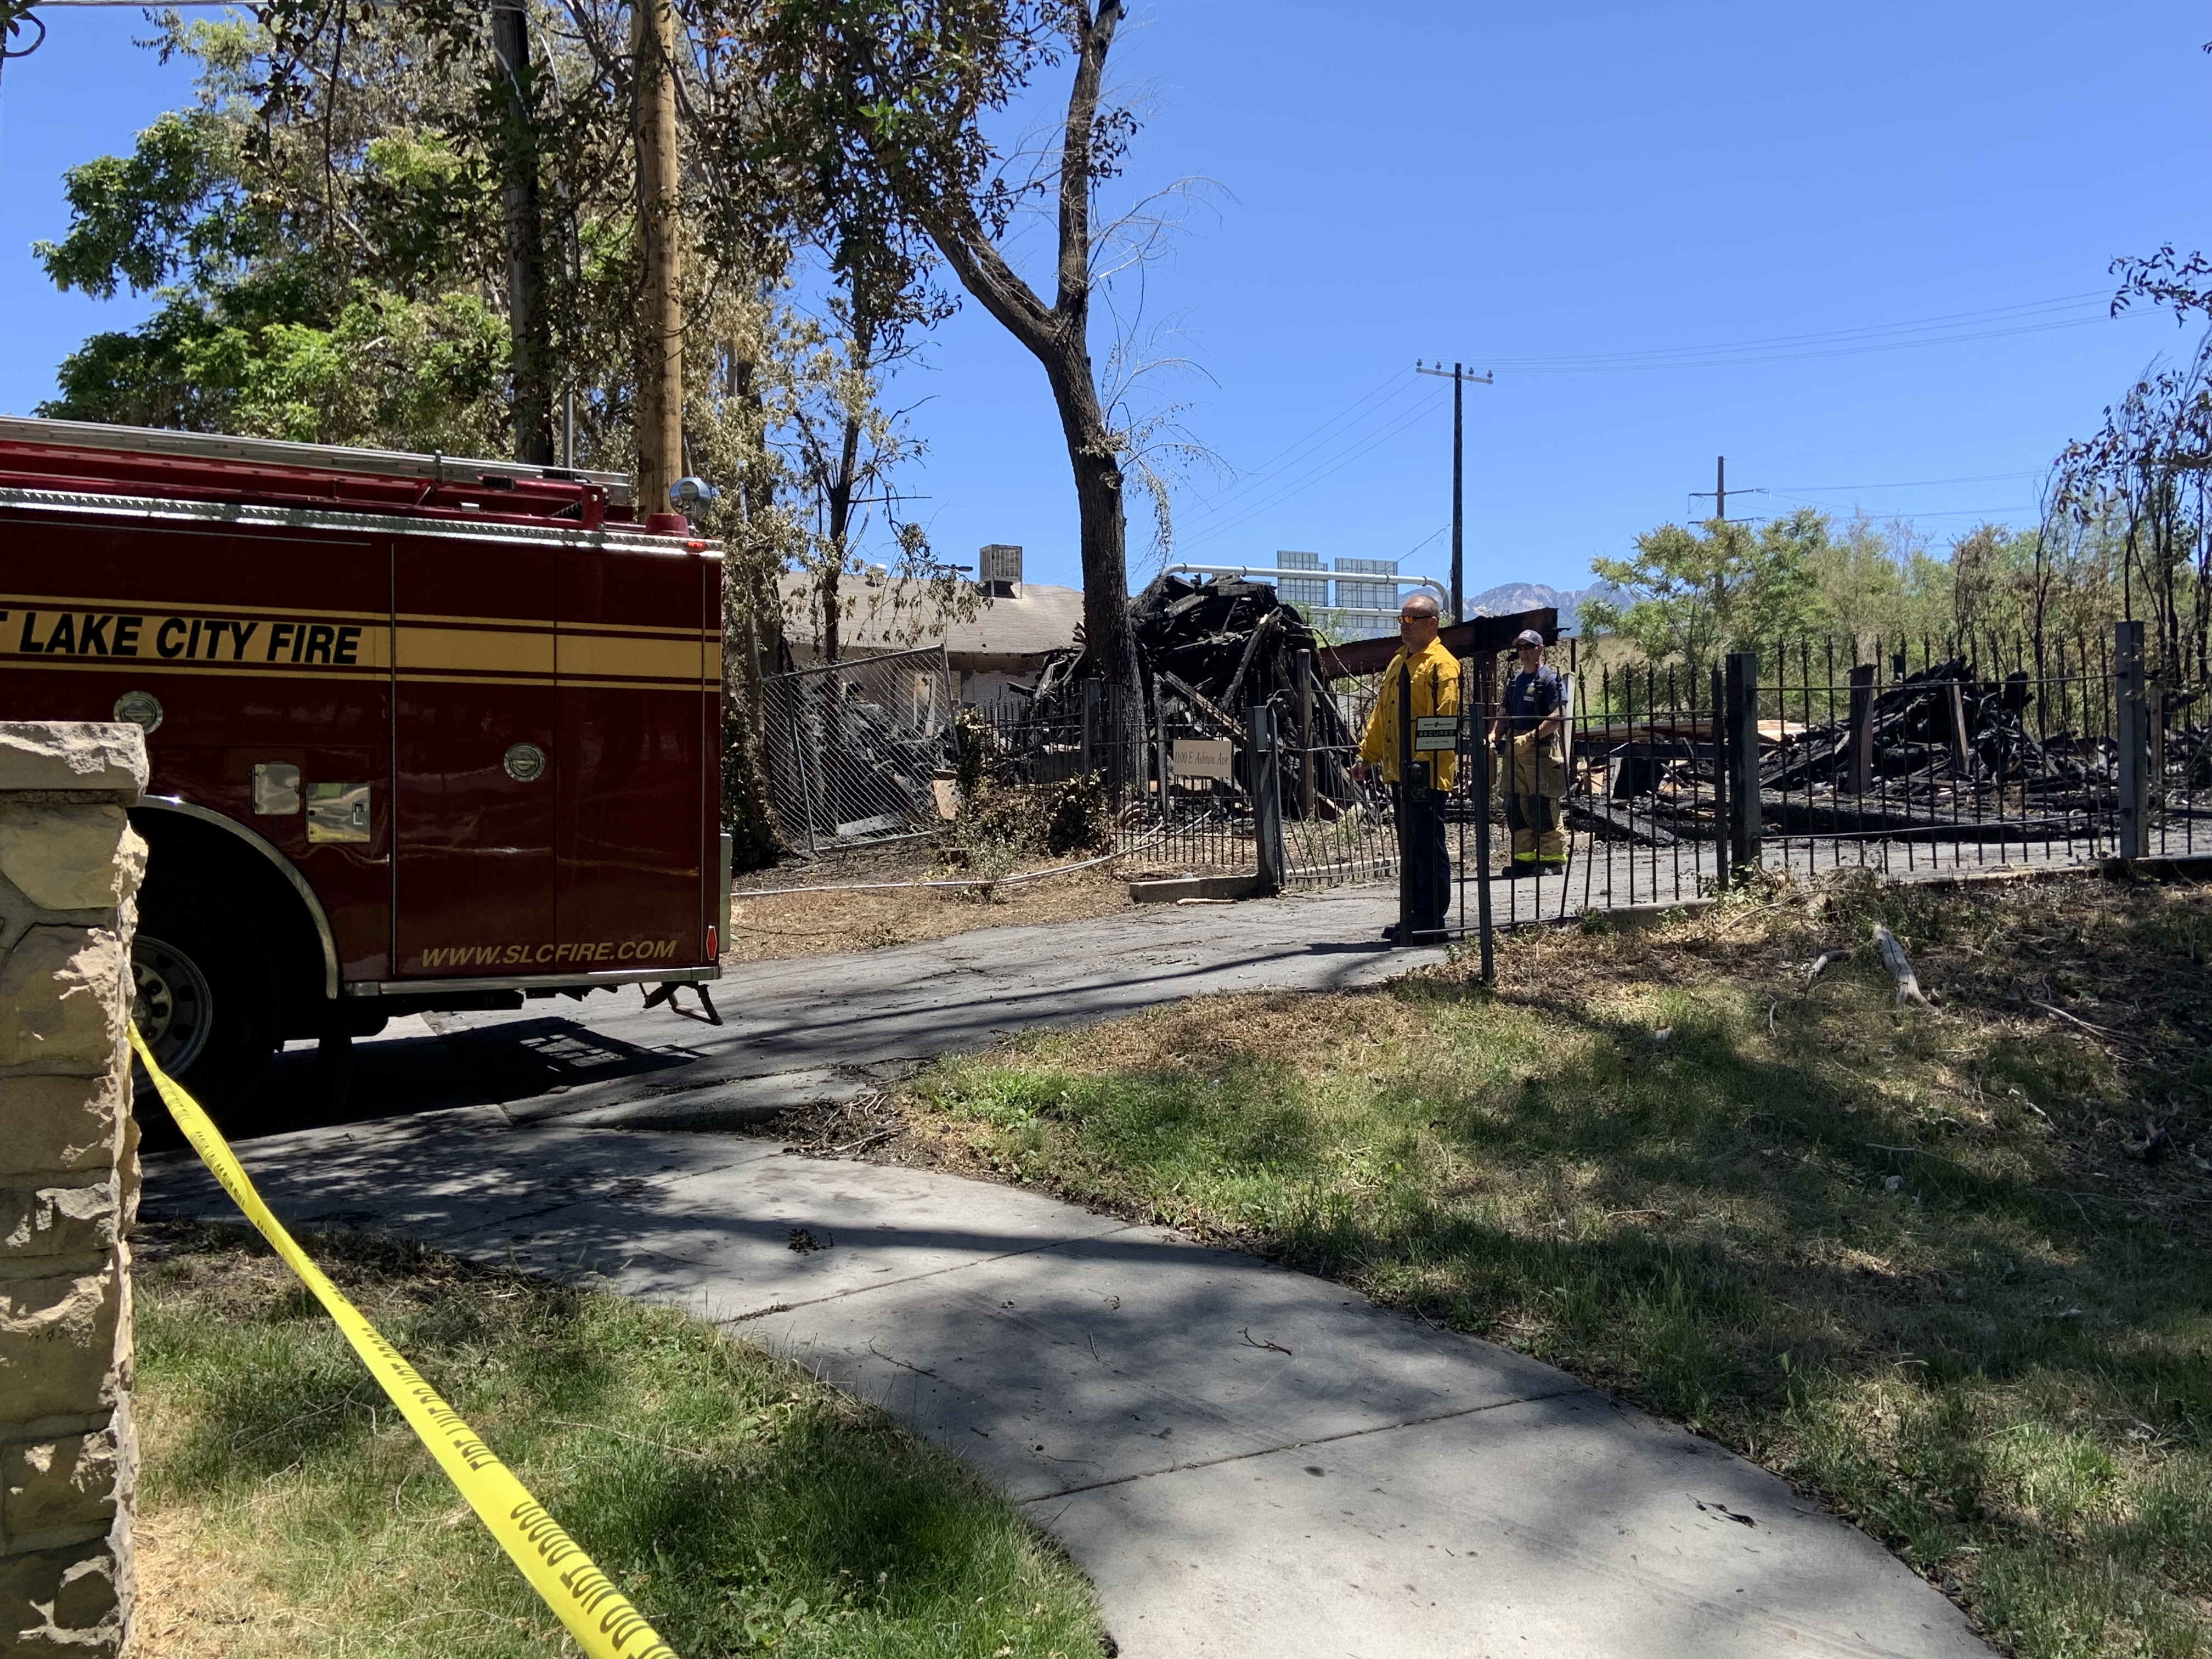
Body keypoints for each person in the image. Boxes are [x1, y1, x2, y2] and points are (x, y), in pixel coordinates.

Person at [1358, 594, 1459, 942]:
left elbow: (1443, 723)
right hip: (1400, 772)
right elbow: (1382, 715)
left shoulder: (1441, 665)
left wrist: (1423, 767)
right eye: (1401, 619)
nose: (1404, 626)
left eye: (1411, 620)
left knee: (1427, 845)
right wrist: (1367, 756)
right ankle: (1413, 913)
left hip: (1425, 775)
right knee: (1411, 846)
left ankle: (1431, 918)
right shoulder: (1399, 661)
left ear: (1432, 623)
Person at [1489, 627, 1569, 877]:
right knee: (1515, 803)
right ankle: (1524, 860)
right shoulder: (1515, 681)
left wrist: (1532, 737)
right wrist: (1495, 735)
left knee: (1541, 803)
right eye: (1520, 648)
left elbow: (1558, 716)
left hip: (1539, 749)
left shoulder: (1549, 680)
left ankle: (1551, 859)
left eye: (1527, 647)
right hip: (1514, 749)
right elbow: (1504, 714)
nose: (1522, 652)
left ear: (1540, 649)